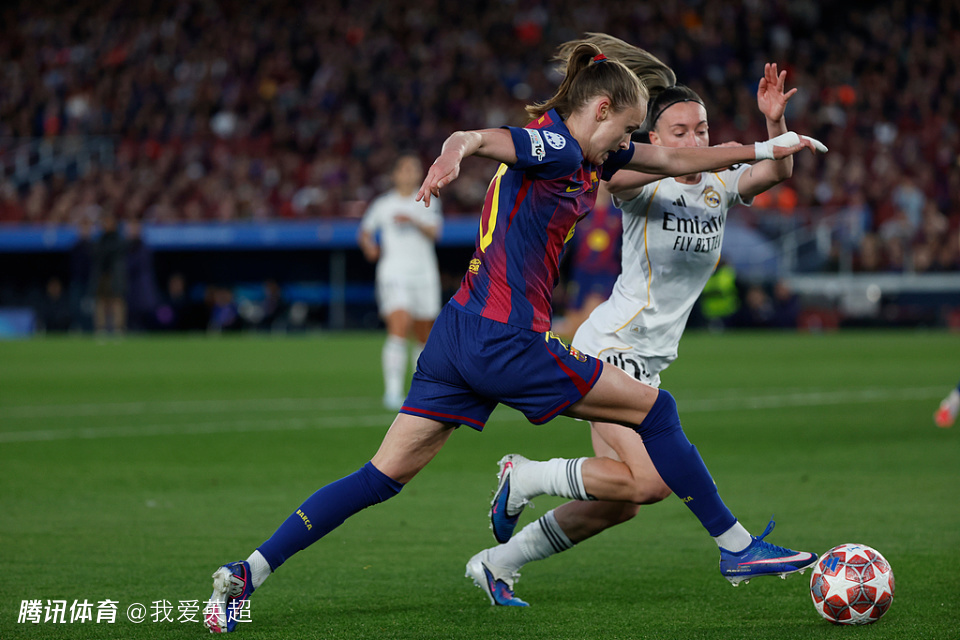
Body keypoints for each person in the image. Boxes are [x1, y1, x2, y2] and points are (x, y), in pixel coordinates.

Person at [202, 43, 825, 632]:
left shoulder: (592, 154)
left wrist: (770, 142)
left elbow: (678, 161)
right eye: (626, 129)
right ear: (600, 109)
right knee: (656, 412)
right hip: (508, 342)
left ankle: (246, 573)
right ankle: (735, 546)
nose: (627, 144)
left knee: (379, 478)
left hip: (458, 334)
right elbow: (480, 138)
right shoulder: (553, 146)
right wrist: (454, 153)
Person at [465, 37, 820, 606]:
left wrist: (775, 123)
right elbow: (613, 178)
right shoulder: (640, 182)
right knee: (651, 482)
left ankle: (496, 563)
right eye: (680, 131)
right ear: (653, 138)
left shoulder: (719, 187)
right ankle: (527, 476)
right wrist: (687, 156)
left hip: (648, 359)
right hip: (613, 344)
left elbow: (776, 172)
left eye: (701, 129)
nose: (694, 140)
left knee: (621, 502)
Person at [358, 154, 444, 409]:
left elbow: (435, 233)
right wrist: (369, 247)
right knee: (400, 323)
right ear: (395, 174)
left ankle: (419, 391)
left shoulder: (428, 199)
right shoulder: (383, 204)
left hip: (424, 274)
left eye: (414, 169)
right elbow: (365, 232)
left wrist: (413, 221)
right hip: (394, 272)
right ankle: (393, 392)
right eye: (405, 169)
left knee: (423, 334)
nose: (410, 173)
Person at [551, 182, 622, 340]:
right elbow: (565, 247)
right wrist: (558, 279)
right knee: (573, 329)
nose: (603, 182)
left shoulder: (620, 213)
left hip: (605, 276)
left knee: (590, 325)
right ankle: (542, 330)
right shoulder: (579, 211)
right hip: (579, 275)